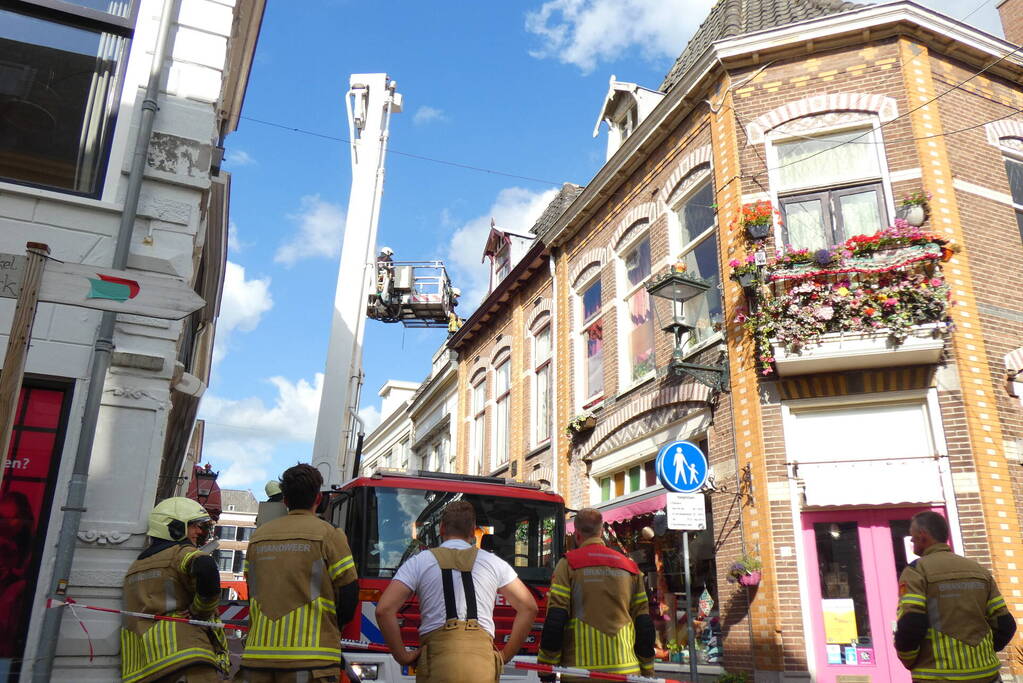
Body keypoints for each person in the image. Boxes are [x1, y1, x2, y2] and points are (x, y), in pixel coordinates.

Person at [375, 500, 538, 682]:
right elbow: (529, 607)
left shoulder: (419, 562)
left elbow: (384, 610)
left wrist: (402, 656)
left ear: (442, 528)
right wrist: (504, 656)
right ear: (473, 530)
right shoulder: (494, 563)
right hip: (481, 665)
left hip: (436, 664)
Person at [237, 464, 358, 682]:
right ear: (319, 499)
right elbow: (349, 595)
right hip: (312, 660)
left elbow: (251, 590)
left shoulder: (258, 537)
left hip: (257, 658)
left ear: (285, 500)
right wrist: (332, 628)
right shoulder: (330, 535)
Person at [894, 511, 1017, 682]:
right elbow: (1006, 624)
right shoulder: (979, 570)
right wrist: (985, 651)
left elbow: (911, 622)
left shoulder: (916, 571)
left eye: (913, 537)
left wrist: (909, 660)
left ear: (923, 535)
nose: (912, 541)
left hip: (937, 676)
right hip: (986, 674)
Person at [537, 508, 655, 682]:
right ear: (601, 532)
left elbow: (556, 618)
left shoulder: (568, 564)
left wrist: (546, 667)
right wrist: (647, 670)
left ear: (576, 534)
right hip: (626, 673)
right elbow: (644, 623)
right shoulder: (630, 567)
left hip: (580, 673)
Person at [120, 497, 227, 683]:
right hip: (184, 656)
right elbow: (206, 566)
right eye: (193, 525)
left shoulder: (135, 567)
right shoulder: (180, 553)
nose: (198, 531)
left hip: (142, 667)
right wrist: (199, 611)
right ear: (174, 527)